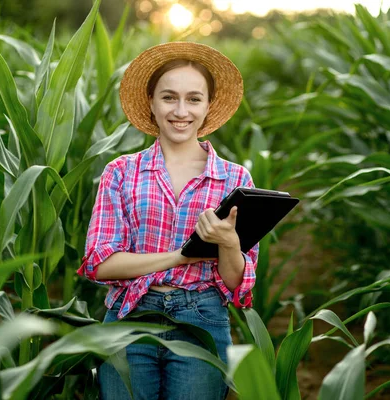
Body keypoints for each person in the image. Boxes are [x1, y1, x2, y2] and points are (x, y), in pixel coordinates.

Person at [77, 41, 259, 400]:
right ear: (151, 103)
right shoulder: (121, 172)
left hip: (202, 318)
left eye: (194, 99)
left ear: (208, 106)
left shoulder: (235, 180)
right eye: (168, 97)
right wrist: (184, 254)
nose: (181, 111)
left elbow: (237, 282)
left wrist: (229, 244)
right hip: (131, 316)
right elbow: (101, 264)